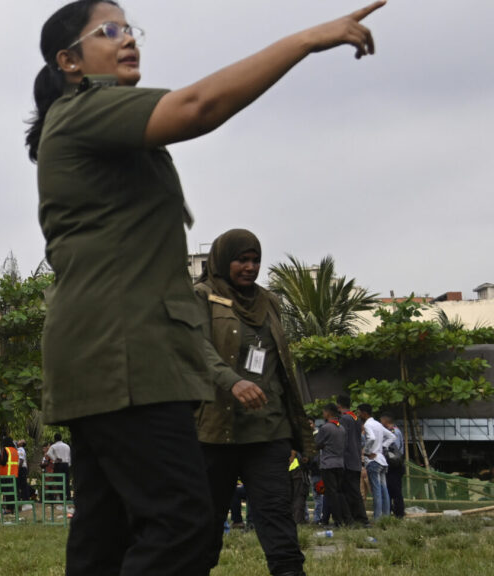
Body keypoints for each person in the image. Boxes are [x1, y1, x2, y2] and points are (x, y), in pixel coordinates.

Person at [29, 0, 384, 572]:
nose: (128, 39)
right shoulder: (85, 110)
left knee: (106, 530)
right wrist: (308, 39)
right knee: (184, 523)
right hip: (125, 355)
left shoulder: (89, 124)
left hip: (103, 352)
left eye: (131, 28)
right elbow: (198, 106)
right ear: (69, 60)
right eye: (110, 30)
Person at [194, 229, 317, 575]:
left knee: (277, 517)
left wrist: (298, 423)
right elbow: (193, 348)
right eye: (241, 260)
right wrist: (232, 381)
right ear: (221, 261)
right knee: (205, 524)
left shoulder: (270, 302)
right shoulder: (199, 297)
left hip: (268, 431)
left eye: (255, 260)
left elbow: (282, 368)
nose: (250, 267)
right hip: (214, 433)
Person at [358, 403, 395, 520]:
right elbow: (392, 437)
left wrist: (367, 452)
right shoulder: (378, 424)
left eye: (359, 412)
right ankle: (386, 516)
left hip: (373, 461)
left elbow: (372, 438)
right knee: (384, 490)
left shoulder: (368, 425)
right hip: (382, 461)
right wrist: (383, 447)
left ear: (364, 413)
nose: (358, 414)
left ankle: (377, 518)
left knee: (376, 491)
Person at [336, 395, 370, 525]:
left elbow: (342, 438)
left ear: (339, 405)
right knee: (354, 490)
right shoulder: (355, 418)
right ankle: (357, 518)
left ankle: (360, 518)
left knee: (351, 491)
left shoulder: (344, 418)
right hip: (355, 458)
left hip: (348, 460)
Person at [316, 404, 350, 527]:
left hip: (328, 464)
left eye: (324, 412)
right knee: (340, 492)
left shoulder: (325, 428)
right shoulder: (342, 428)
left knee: (331, 493)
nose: (323, 414)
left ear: (328, 413)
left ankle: (337, 520)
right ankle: (347, 519)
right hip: (340, 464)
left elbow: (317, 444)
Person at [380, 413, 406, 518]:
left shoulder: (394, 432)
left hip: (395, 465)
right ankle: (390, 510)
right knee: (390, 489)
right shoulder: (394, 431)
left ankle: (399, 513)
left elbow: (395, 450)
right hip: (393, 465)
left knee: (395, 490)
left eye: (381, 421)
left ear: (386, 421)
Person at [45, 434, 72, 499]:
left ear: (55, 439)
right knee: (67, 481)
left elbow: (48, 453)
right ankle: (68, 497)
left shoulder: (54, 446)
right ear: (61, 438)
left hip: (58, 464)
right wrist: (69, 464)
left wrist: (54, 459)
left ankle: (62, 497)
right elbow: (70, 456)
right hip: (66, 464)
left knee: (59, 481)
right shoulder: (67, 446)